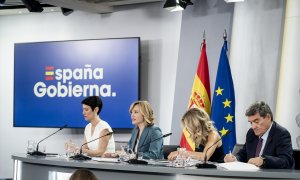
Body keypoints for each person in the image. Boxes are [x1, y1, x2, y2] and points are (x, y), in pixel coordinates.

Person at [224, 101, 294, 169]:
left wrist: (263, 161)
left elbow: (286, 161)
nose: (253, 126)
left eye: (256, 121)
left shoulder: (281, 134)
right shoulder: (251, 133)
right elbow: (244, 153)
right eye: (251, 123)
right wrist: (235, 158)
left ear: (268, 117)